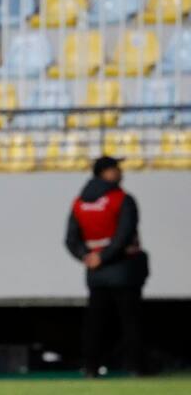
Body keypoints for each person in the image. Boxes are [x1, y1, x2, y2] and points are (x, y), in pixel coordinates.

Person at [65, 156, 149, 378]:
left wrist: (87, 256)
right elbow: (125, 234)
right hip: (123, 268)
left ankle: (91, 367)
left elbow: (71, 239)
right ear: (106, 173)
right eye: (116, 169)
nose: (121, 173)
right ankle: (135, 367)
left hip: (95, 272)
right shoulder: (121, 199)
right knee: (130, 321)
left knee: (95, 322)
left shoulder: (79, 203)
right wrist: (105, 256)